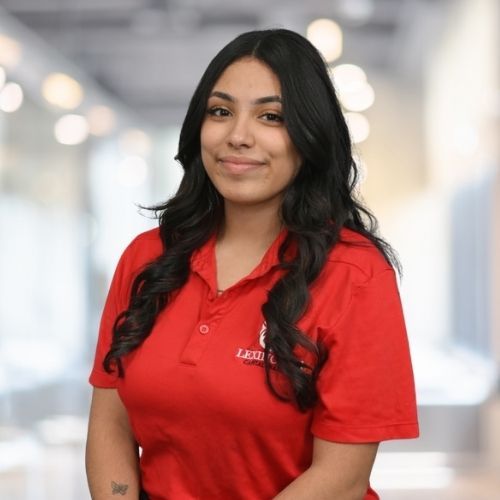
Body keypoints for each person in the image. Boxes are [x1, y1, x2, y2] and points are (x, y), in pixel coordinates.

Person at [85, 28, 419, 500]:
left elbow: (342, 479)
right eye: (220, 112)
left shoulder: (356, 275)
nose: (238, 136)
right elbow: (110, 421)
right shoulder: (147, 258)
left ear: (308, 136)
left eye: (271, 116)